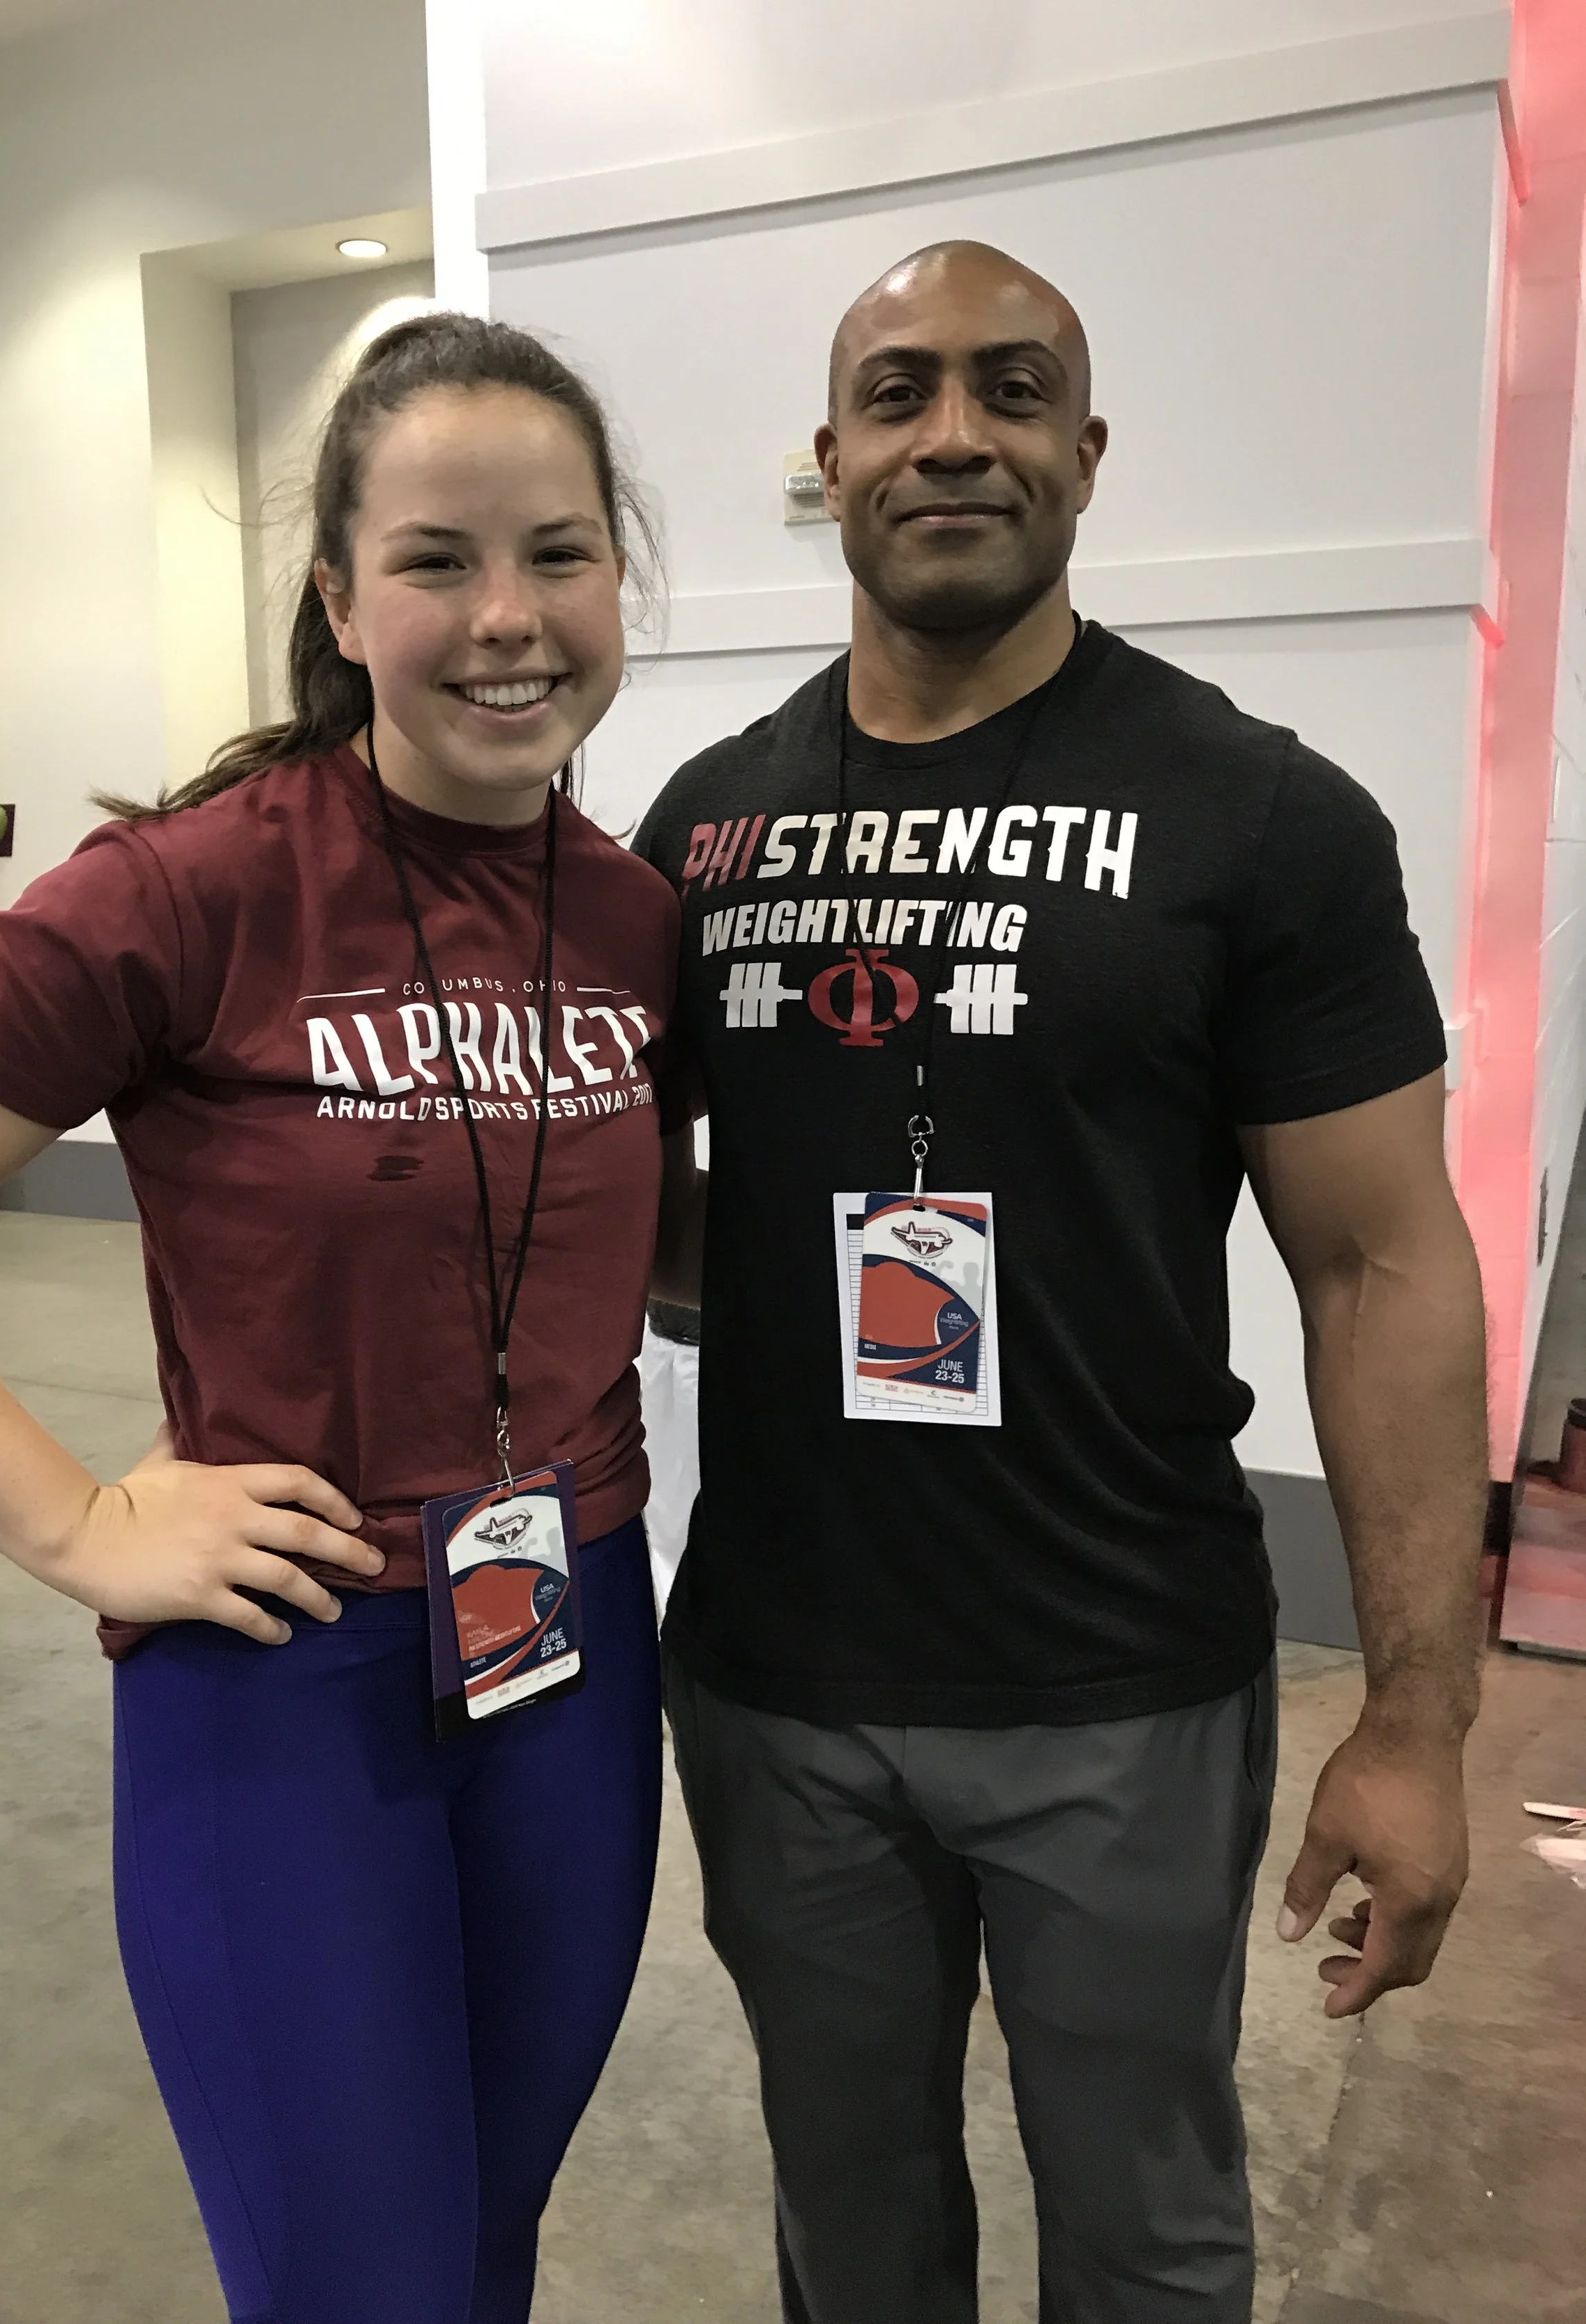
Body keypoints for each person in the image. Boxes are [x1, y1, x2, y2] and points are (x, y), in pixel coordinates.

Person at [637, 241, 1488, 2324]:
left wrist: (1414, 1719)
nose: (953, 435)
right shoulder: (704, 828)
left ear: (1086, 453)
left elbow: (1381, 1268)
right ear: (828, 456)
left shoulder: (1259, 816)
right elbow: (622, 1212)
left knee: (1145, 2230)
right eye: (900, 393)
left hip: (1122, 1683)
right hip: (779, 1681)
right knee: (851, 2223)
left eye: (1010, 391)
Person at [0, 312, 698, 2324]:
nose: (508, 618)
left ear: (617, 577)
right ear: (338, 600)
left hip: (568, 1643)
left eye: (559, 553)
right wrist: (77, 1524)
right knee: (357, 2283)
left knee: (483, 2242)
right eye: (435, 561)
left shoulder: (631, 914)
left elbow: (613, 1238)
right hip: (287, 1667)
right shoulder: (189, 891)